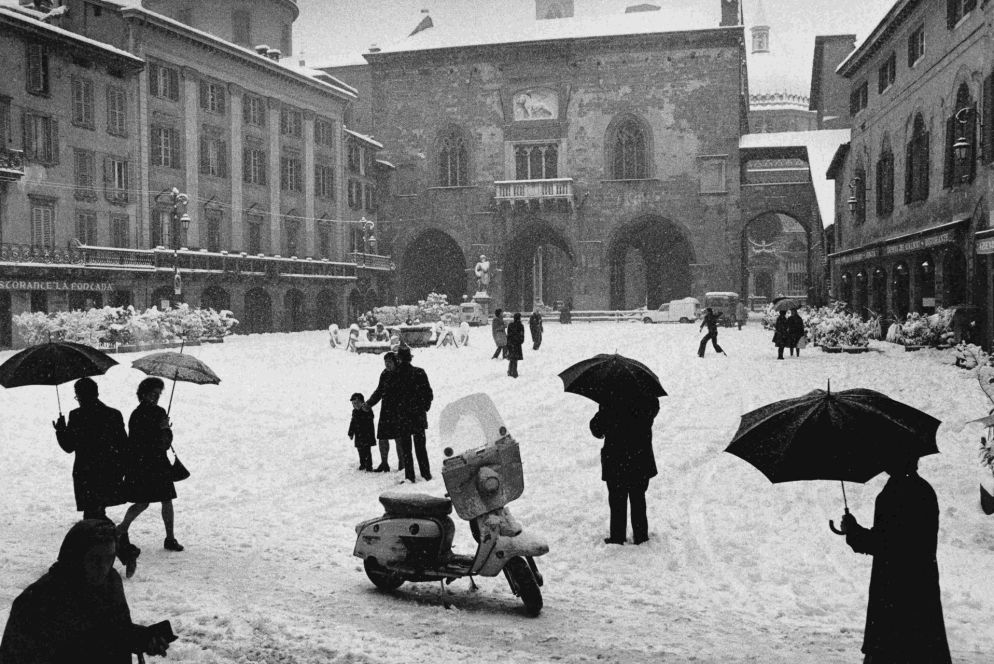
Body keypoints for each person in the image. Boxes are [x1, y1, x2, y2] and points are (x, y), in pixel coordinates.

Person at [0, 519, 174, 663]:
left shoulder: (110, 582)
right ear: (76, 557)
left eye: (109, 558)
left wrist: (143, 638)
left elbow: (114, 631)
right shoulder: (37, 600)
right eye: (95, 559)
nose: (104, 568)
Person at [841, 457, 952, 664]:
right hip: (918, 585)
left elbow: (886, 543)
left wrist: (854, 532)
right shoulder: (922, 488)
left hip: (895, 589)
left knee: (893, 650)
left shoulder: (898, 492)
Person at [118, 377, 183, 554]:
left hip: (141, 464)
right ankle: (169, 538)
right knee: (160, 501)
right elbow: (163, 443)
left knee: (144, 502)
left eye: (158, 394)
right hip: (155, 464)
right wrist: (165, 429)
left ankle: (121, 530)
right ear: (144, 394)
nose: (156, 397)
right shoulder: (157, 413)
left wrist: (163, 429)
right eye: (153, 394)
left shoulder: (135, 414)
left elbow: (137, 441)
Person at [53, 377, 128, 521]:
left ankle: (115, 537)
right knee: (98, 511)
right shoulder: (113, 414)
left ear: (79, 395)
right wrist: (122, 469)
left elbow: (69, 447)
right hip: (109, 470)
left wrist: (60, 431)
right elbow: (124, 445)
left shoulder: (77, 416)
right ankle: (114, 538)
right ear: (97, 393)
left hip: (86, 472)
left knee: (91, 513)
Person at [589, 396, 660, 545]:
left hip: (616, 459)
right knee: (638, 499)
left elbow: (597, 429)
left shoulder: (610, 399)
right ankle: (641, 536)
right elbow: (653, 410)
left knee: (617, 500)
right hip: (640, 458)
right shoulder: (646, 397)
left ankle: (617, 536)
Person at [392, 346, 434, 483]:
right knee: (421, 447)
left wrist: (397, 412)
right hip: (418, 416)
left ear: (399, 359)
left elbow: (392, 398)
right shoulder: (419, 372)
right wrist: (423, 408)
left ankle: (410, 476)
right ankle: (426, 473)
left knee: (406, 449)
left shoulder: (395, 375)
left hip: (403, 417)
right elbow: (428, 393)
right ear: (410, 358)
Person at [366, 352, 402, 473]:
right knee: (382, 437)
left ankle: (402, 464)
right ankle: (384, 463)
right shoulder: (384, 374)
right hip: (386, 410)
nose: (387, 364)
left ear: (395, 362)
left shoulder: (401, 374)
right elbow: (379, 391)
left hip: (398, 411)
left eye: (390, 362)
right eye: (385, 362)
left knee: (399, 438)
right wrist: (369, 403)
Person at [348, 392, 376, 471]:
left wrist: (367, 410)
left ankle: (369, 466)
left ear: (362, 403)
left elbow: (371, 416)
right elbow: (352, 423)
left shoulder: (367, 410)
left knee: (367, 451)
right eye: (353, 404)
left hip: (367, 435)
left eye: (356, 403)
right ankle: (362, 464)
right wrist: (351, 433)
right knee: (360, 450)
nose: (354, 405)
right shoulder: (354, 412)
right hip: (358, 435)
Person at [506, 312, 525, 378]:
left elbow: (508, 334)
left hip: (510, 343)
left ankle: (510, 371)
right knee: (515, 359)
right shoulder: (521, 326)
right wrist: (520, 341)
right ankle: (514, 372)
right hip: (517, 344)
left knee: (511, 358)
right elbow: (522, 336)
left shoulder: (510, 325)